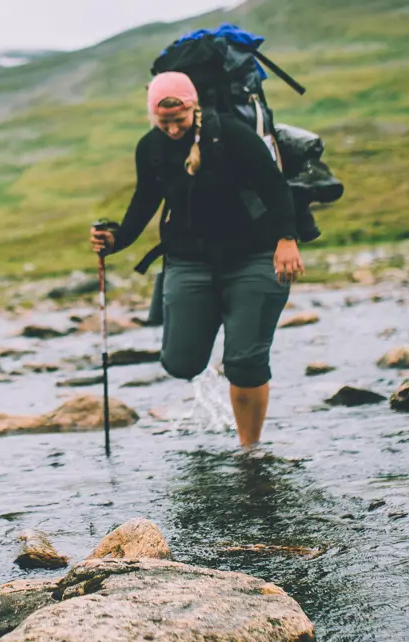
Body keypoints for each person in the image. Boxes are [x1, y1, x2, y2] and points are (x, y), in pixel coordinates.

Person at [90, 71, 303, 448]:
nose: (172, 130)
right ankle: (203, 316)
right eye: (164, 122)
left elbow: (274, 185)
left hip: (253, 257)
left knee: (244, 364)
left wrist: (287, 239)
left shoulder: (233, 135)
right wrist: (114, 240)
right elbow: (144, 203)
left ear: (194, 108)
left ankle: (249, 451)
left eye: (179, 120)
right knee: (180, 364)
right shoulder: (150, 147)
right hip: (189, 262)